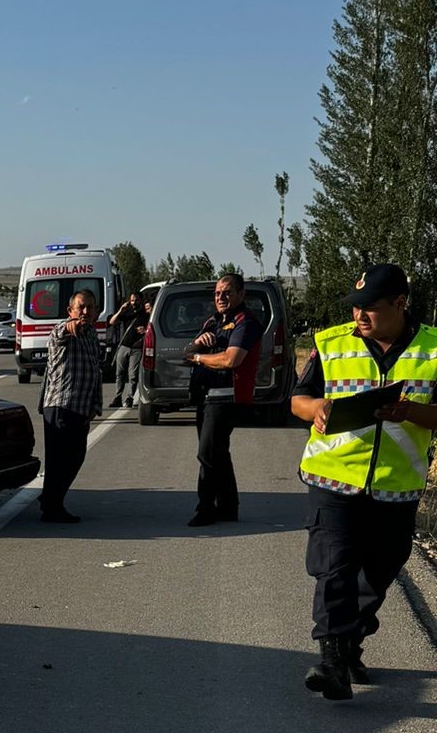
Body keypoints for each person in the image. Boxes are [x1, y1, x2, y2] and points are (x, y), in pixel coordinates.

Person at [291, 262, 437, 699]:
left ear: (399, 304)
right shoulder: (331, 344)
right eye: (355, 308)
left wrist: (411, 411)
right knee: (334, 568)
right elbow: (297, 399)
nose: (359, 317)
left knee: (378, 572)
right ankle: (332, 661)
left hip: (397, 485)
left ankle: (350, 644)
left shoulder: (433, 349)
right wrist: (315, 408)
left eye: (369, 309)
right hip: (333, 478)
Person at [184, 270, 262, 526]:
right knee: (219, 453)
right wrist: (197, 343)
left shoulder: (245, 322)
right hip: (206, 397)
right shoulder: (212, 322)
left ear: (241, 294)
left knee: (207, 454)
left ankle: (205, 509)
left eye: (227, 292)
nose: (221, 297)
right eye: (218, 293)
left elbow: (231, 359)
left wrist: (199, 357)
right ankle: (228, 507)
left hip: (226, 399)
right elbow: (187, 352)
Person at [39, 287, 103, 524]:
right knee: (59, 461)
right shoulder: (65, 330)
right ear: (70, 310)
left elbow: (94, 371)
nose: (85, 312)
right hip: (60, 407)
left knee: (76, 457)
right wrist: (69, 326)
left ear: (96, 312)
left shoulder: (91, 335)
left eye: (90, 307)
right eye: (80, 307)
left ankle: (50, 498)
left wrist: (95, 406)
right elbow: (59, 333)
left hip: (80, 408)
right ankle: (52, 508)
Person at [109, 290, 148, 409]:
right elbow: (112, 322)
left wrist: (145, 330)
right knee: (119, 374)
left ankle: (130, 397)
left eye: (136, 300)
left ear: (140, 300)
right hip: (124, 346)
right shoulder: (126, 313)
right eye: (132, 300)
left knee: (133, 375)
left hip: (137, 348)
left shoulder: (145, 314)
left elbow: (151, 330)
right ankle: (117, 397)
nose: (134, 302)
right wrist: (121, 310)